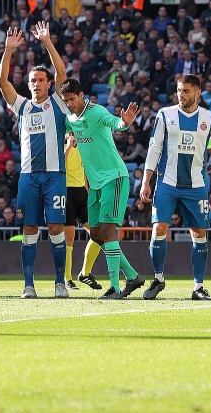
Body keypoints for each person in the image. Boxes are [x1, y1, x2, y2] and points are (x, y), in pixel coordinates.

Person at [140, 74, 211, 301]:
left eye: (186, 91)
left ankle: (198, 287)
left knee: (199, 234)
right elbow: (154, 148)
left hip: (196, 185)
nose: (181, 95)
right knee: (159, 228)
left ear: (198, 93)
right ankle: (158, 279)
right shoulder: (165, 114)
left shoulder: (210, 118)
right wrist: (146, 180)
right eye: (179, 90)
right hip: (167, 183)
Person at [0, 23, 69, 299]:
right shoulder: (22, 106)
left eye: (40, 80)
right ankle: (29, 285)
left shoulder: (58, 103)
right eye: (32, 81)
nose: (36, 84)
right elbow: (2, 82)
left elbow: (62, 72)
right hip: (28, 177)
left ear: (48, 84)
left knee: (55, 227)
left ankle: (60, 283)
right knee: (29, 228)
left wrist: (47, 42)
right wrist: (8, 50)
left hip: (55, 175)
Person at [58, 77, 145, 299]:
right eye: (66, 101)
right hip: (94, 184)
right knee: (96, 234)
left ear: (81, 95)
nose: (69, 104)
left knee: (107, 230)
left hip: (113, 177)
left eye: (72, 99)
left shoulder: (96, 112)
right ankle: (133, 276)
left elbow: (115, 123)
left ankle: (114, 287)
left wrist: (125, 122)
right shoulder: (71, 118)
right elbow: (60, 128)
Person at [63, 132, 102, 291]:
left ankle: (85, 273)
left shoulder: (82, 147)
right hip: (66, 192)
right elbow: (59, 166)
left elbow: (84, 172)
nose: (73, 134)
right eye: (70, 132)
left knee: (97, 233)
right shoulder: (61, 147)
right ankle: (67, 279)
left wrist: (88, 192)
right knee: (69, 238)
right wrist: (68, 147)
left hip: (81, 193)